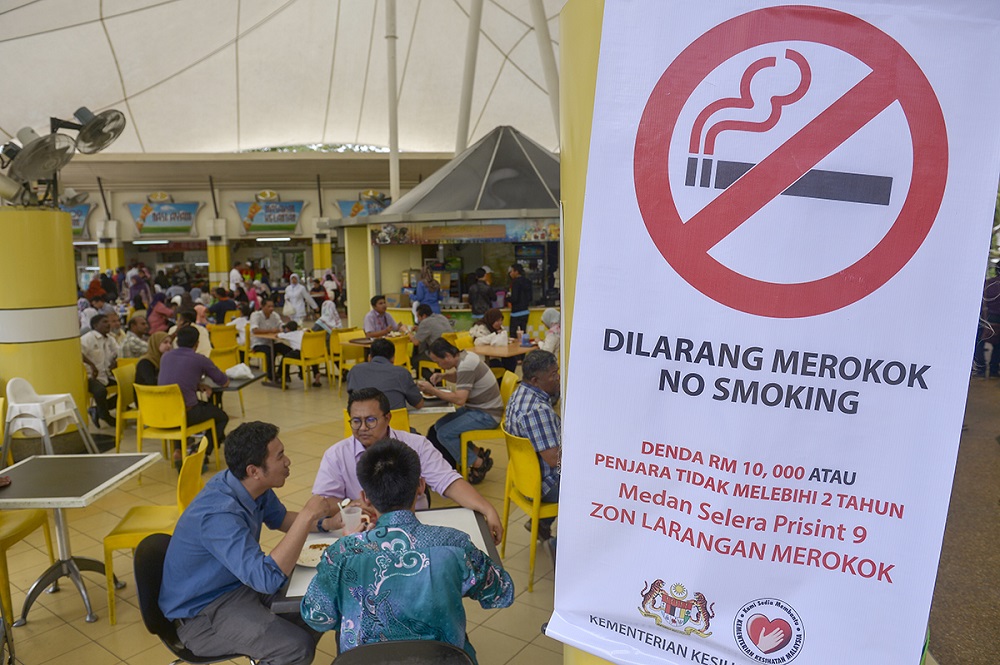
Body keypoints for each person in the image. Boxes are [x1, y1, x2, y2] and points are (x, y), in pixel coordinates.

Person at [301, 438, 513, 662]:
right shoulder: (454, 543)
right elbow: (501, 593)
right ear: (421, 486)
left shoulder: (342, 553)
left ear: (365, 497)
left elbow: (316, 616)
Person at [159, 421, 338, 665]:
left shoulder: (248, 485)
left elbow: (281, 519)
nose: (287, 462)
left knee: (321, 604)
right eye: (280, 456)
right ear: (254, 470)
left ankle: (277, 653)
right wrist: (307, 515)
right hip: (203, 614)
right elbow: (266, 578)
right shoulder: (219, 516)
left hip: (237, 584)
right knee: (295, 648)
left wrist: (327, 524)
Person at [312, 387, 503, 542]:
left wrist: (487, 509)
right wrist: (349, 505)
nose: (362, 428)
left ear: (387, 418)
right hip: (362, 533)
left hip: (415, 527)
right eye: (356, 421)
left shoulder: (416, 444)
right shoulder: (336, 455)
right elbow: (322, 502)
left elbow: (448, 480)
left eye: (370, 420)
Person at [417, 338, 501, 484]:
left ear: (448, 356)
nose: (438, 365)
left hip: (487, 414)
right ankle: (476, 452)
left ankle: (479, 464)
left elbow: (460, 399)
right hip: (479, 407)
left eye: (438, 362)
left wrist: (433, 390)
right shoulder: (466, 357)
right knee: (438, 427)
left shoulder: (466, 365)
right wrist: (443, 376)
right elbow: (460, 377)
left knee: (444, 434)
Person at [504, 350, 561, 543]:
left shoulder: (520, 393)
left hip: (523, 478)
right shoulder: (538, 410)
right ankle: (564, 545)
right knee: (596, 483)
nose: (558, 378)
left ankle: (542, 525)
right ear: (536, 380)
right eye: (553, 374)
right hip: (545, 484)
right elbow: (555, 459)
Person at [158, 326, 230, 455]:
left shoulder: (165, 357)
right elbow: (223, 381)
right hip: (187, 415)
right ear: (196, 344)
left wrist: (196, 385)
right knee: (221, 417)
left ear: (177, 341)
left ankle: (178, 449)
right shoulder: (199, 359)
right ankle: (201, 452)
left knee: (179, 404)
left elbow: (177, 380)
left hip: (163, 414)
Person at [346, 339, 424, 411]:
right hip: (393, 424)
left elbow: (351, 399)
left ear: (369, 357)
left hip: (361, 424)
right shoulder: (401, 373)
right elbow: (419, 404)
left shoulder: (355, 370)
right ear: (393, 358)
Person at [81, 313, 118, 427]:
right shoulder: (88, 338)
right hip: (91, 377)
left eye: (108, 322)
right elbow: (78, 353)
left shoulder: (110, 339)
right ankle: (104, 415)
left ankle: (97, 409)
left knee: (126, 387)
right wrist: (91, 364)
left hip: (106, 375)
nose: (108, 324)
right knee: (101, 391)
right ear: (96, 325)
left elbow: (117, 353)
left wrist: (114, 361)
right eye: (104, 322)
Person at [250, 297, 291, 386]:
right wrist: (270, 331)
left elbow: (281, 325)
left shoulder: (275, 315)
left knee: (289, 351)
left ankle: (282, 372)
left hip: (271, 341)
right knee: (269, 352)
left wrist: (285, 328)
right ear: (262, 306)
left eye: (272, 306)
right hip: (259, 343)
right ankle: (271, 376)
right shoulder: (256, 315)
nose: (271, 309)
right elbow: (255, 330)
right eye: (268, 307)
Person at [408, 303, 452, 368]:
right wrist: (419, 330)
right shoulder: (441, 317)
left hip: (439, 353)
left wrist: (407, 331)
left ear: (424, 316)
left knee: (414, 361)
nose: (418, 320)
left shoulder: (425, 322)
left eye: (418, 317)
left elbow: (416, 342)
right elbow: (434, 330)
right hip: (450, 351)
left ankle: (431, 377)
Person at [506, 263, 533, 340]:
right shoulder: (528, 281)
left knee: (514, 336)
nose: (510, 273)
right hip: (525, 312)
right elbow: (530, 298)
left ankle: (515, 351)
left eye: (511, 271)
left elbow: (514, 298)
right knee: (523, 334)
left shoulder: (515, 283)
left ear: (516, 272)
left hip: (516, 313)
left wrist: (507, 298)